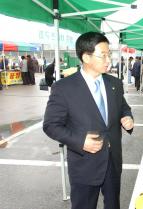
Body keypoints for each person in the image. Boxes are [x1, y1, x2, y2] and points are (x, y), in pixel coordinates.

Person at [43, 32, 134, 209]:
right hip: (84, 164)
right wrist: (80, 141)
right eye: (103, 55)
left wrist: (127, 117)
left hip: (113, 160)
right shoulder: (63, 88)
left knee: (113, 205)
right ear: (86, 56)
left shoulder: (114, 83)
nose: (109, 60)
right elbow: (50, 125)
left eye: (110, 54)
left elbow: (123, 106)